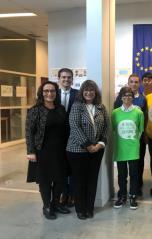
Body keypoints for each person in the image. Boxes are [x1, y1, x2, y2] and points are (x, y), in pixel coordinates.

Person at [26, 81, 70, 220]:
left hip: (60, 151)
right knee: (45, 180)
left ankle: (56, 203)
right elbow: (29, 132)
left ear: (56, 93)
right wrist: (30, 151)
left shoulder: (60, 109)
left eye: (52, 91)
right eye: (46, 91)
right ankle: (46, 206)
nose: (49, 93)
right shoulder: (35, 110)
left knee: (60, 179)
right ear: (42, 93)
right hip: (42, 151)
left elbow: (66, 129)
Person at [66, 80, 108, 220]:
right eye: (86, 90)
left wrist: (100, 144)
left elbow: (107, 128)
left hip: (97, 150)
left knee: (92, 180)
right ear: (82, 92)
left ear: (95, 92)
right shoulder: (77, 106)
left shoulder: (101, 107)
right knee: (79, 181)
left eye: (92, 90)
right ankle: (80, 209)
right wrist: (88, 145)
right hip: (77, 150)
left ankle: (89, 208)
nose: (89, 92)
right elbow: (75, 127)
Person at [114, 74, 147, 196]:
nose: (134, 84)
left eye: (136, 82)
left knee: (137, 166)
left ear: (139, 84)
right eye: (131, 82)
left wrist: (141, 137)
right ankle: (122, 193)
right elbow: (115, 125)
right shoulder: (117, 104)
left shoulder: (142, 100)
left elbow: (143, 122)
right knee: (122, 171)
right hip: (122, 142)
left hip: (135, 140)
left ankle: (136, 189)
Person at [58, 67, 79, 207]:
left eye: (69, 77)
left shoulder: (78, 94)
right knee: (60, 166)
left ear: (72, 79)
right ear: (59, 79)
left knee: (72, 166)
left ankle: (72, 194)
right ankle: (62, 193)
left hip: (73, 136)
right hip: (57, 137)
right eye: (63, 77)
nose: (66, 79)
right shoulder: (53, 93)